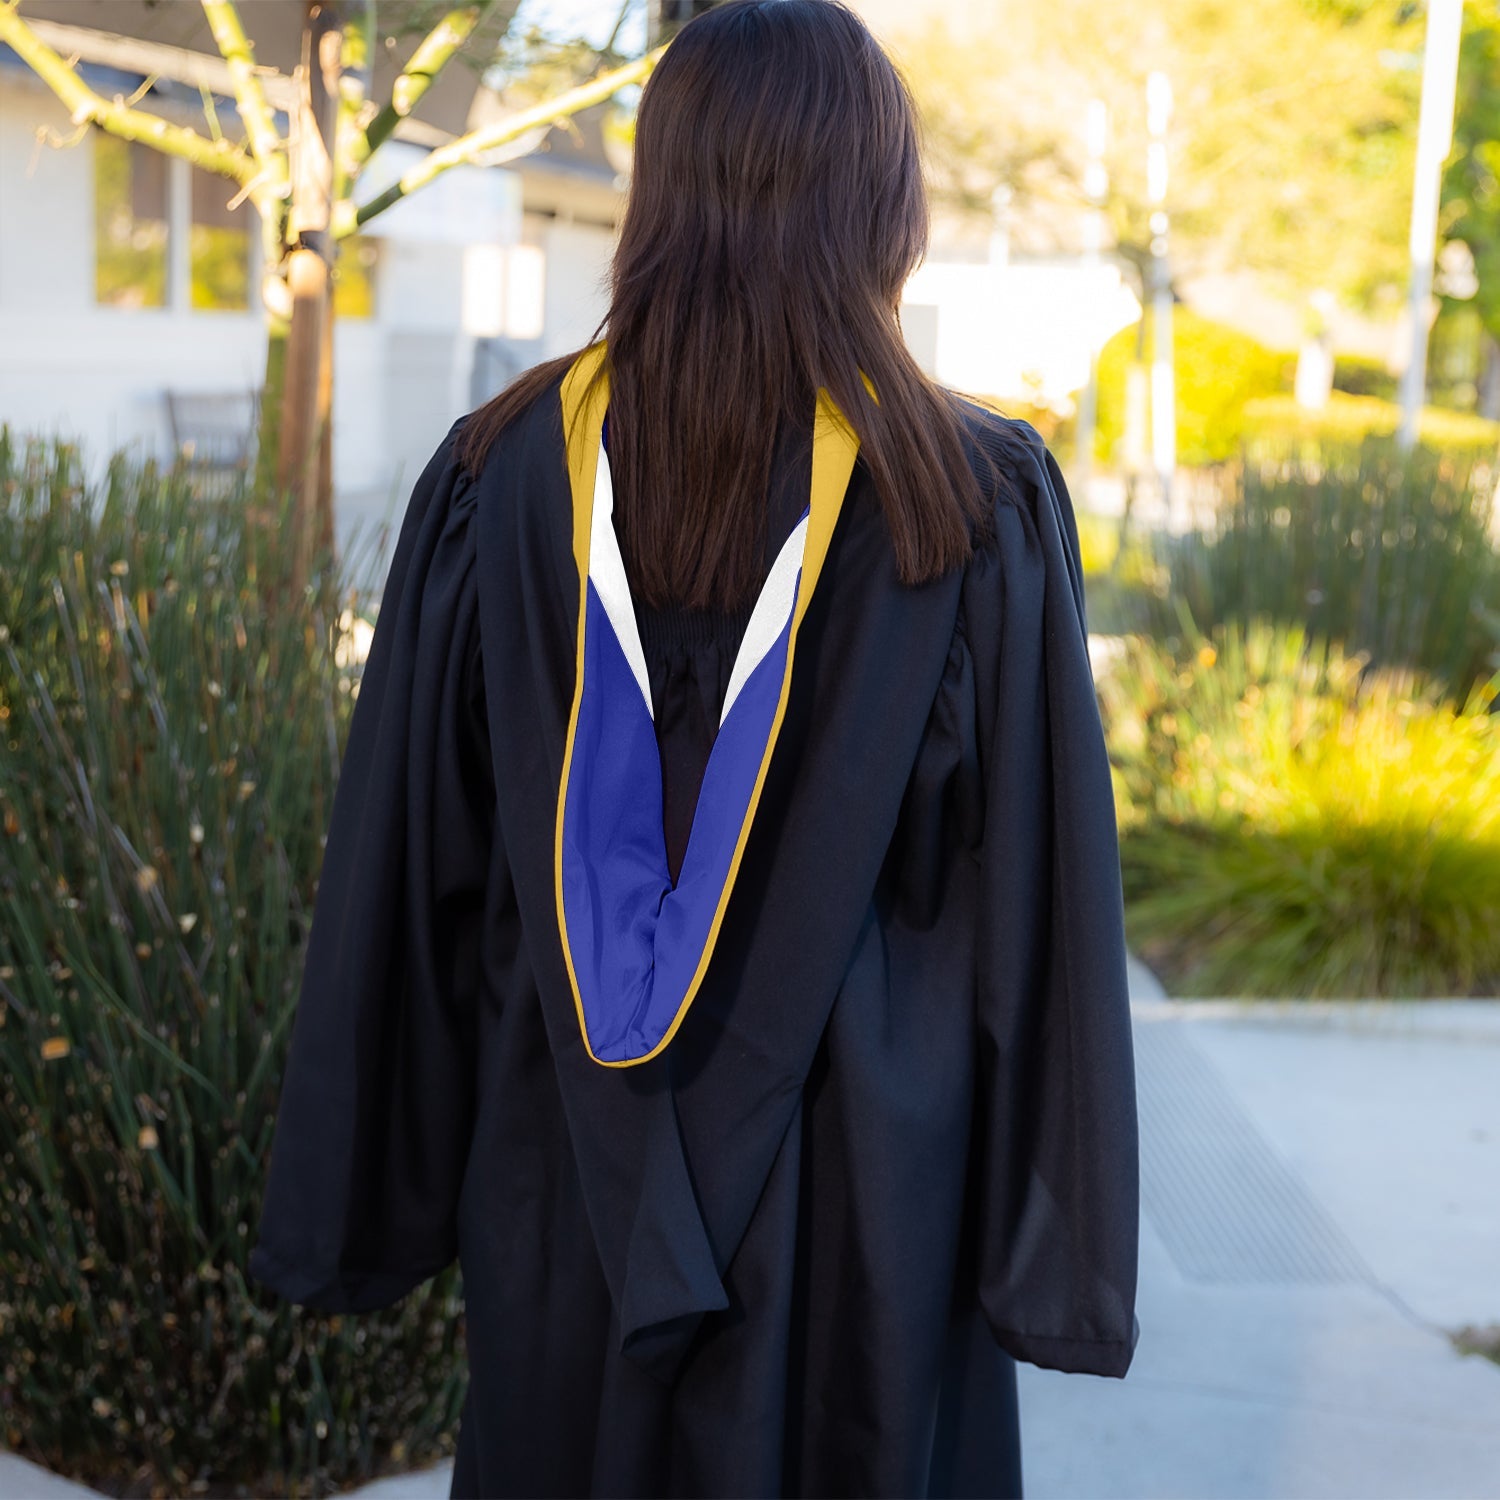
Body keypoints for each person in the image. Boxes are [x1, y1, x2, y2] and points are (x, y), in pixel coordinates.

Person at [247, 2, 1141, 1496]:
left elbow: (412, 875)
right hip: (875, 1217)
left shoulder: (501, 477)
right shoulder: (969, 504)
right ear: (885, 204)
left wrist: (362, 1199)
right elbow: (1040, 908)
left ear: (657, 191)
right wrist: (1050, 1245)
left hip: (568, 1193)